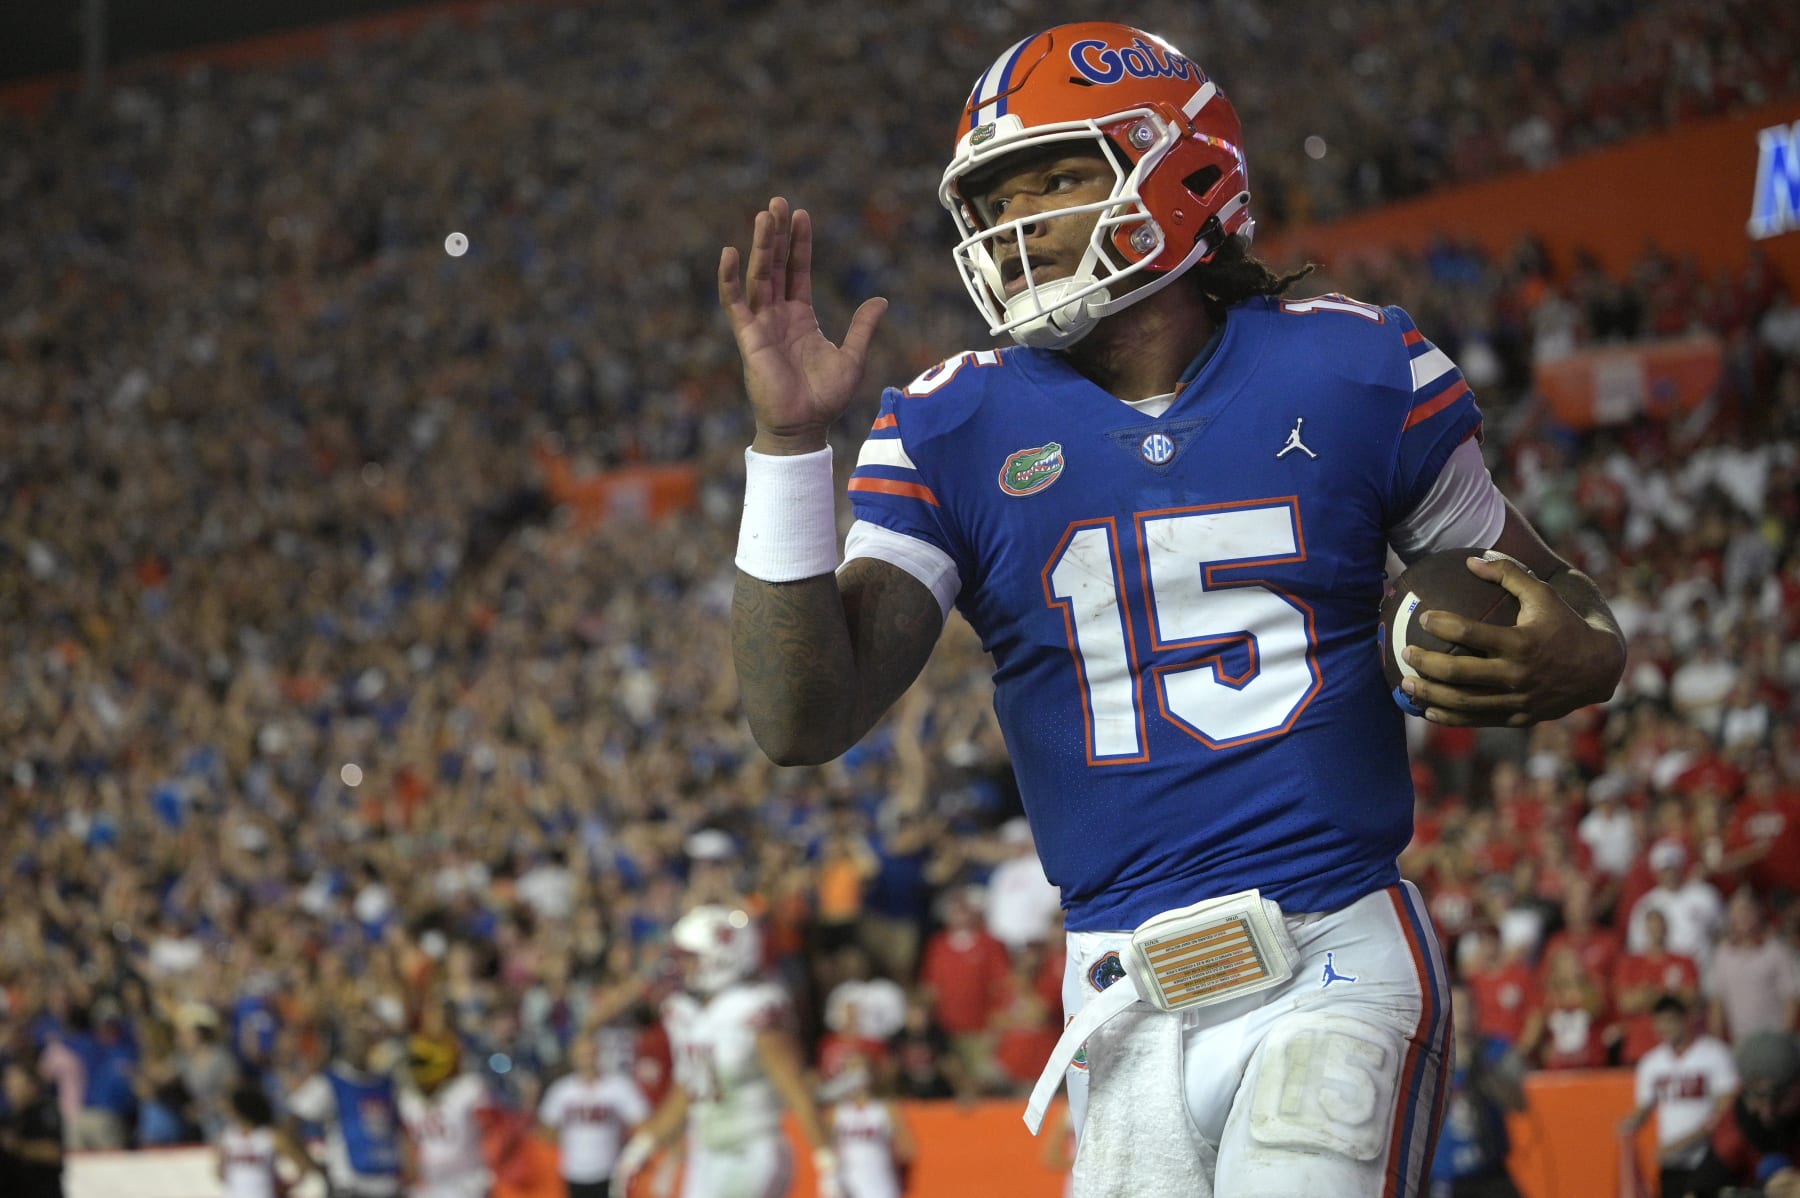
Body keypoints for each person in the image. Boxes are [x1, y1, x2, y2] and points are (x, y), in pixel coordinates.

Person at [719, 18, 1626, 1197]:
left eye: (1052, 177)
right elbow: (800, 716)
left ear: (1182, 170)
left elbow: (1557, 597)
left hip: (1330, 960)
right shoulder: (951, 421)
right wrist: (790, 445)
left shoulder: (1353, 369)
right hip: (1118, 998)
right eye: (994, 197)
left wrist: (1586, 654)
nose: (1014, 220)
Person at [612, 906, 839, 1198]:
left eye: (691, 956)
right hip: (706, 1153)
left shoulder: (754, 1008)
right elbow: (689, 1092)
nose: (682, 965)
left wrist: (827, 1163)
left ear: (719, 957)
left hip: (751, 1150)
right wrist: (639, 1149)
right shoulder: (695, 1015)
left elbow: (796, 1091)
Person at [1620, 996, 1739, 1198]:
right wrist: (1632, 1122)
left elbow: (1725, 1111)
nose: (1664, 1028)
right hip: (1672, 1163)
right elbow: (1645, 1106)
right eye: (1659, 1022)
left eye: (1670, 1021)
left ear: (1686, 1019)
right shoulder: (1651, 1063)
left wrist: (1683, 1143)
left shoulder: (1714, 1054)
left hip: (1710, 1159)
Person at [285, 1014, 407, 1198]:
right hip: (351, 1188)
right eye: (356, 1037)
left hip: (389, 1186)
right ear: (346, 1041)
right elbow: (288, 1129)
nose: (361, 1044)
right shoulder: (330, 1083)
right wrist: (316, 1170)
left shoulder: (387, 1084)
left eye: (366, 1037)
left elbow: (400, 1132)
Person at [1429, 986, 1528, 1198]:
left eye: (1468, 1007)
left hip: (1490, 1169)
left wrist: (1483, 1070)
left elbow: (1520, 1104)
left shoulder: (1495, 1050)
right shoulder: (1430, 1057)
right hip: (1447, 1176)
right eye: (1457, 1008)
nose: (1463, 1015)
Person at [537, 1032, 650, 1198]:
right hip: (573, 1172)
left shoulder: (618, 1086)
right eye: (582, 1056)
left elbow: (642, 1123)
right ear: (573, 1058)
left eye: (591, 1054)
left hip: (611, 1171)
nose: (588, 1061)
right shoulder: (561, 1090)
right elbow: (546, 1130)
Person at [399, 1034, 494, 1198]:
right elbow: (408, 1143)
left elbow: (492, 1131)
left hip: (468, 1181)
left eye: (421, 1063)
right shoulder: (408, 1099)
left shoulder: (469, 1089)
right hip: (430, 1185)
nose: (416, 1071)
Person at [1712, 1031, 1800, 1198]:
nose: (1767, 1113)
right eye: (1757, 1098)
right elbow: (1700, 1190)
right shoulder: (1735, 1126)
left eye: (1779, 1099)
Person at [822, 1055, 916, 1198]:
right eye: (851, 1069)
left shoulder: (884, 1107)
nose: (857, 1075)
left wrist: (898, 1172)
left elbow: (907, 1146)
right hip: (847, 1182)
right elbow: (826, 1146)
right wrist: (831, 1177)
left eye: (861, 1068)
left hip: (881, 1179)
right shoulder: (838, 1111)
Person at [217, 1084, 322, 1198]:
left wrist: (288, 1185)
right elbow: (221, 1174)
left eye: (231, 1111)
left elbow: (306, 1165)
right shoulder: (228, 1137)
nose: (229, 1115)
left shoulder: (270, 1136)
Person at [0, 1059, 65, 1198]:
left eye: (15, 1084)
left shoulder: (46, 1111)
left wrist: (18, 1146)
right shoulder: (10, 1118)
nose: (9, 1089)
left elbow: (54, 1152)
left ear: (31, 1086)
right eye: (8, 1084)